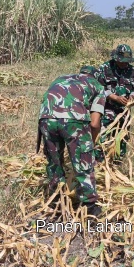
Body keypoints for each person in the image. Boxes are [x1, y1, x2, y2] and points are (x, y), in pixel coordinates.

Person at [37, 66, 105, 216]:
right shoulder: (98, 86)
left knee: (54, 162)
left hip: (46, 119)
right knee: (84, 162)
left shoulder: (61, 77)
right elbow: (94, 123)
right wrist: (90, 144)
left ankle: (56, 201)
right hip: (73, 120)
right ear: (96, 77)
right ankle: (90, 206)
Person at [97, 44, 134, 164]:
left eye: (127, 62)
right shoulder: (105, 68)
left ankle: (118, 160)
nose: (124, 64)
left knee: (122, 135)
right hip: (107, 108)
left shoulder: (132, 71)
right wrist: (114, 97)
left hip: (124, 110)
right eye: (122, 62)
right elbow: (98, 87)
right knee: (103, 134)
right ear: (116, 58)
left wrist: (133, 97)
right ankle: (100, 160)